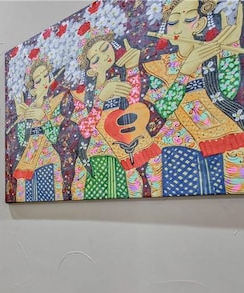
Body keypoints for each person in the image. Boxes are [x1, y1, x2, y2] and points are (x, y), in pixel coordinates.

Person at [142, 0, 244, 196]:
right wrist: (185, 71)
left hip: (218, 134)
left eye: (189, 19)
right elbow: (164, 108)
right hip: (175, 141)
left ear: (201, 24)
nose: (179, 28)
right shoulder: (160, 66)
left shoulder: (211, 54)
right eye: (173, 22)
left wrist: (229, 50)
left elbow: (226, 93)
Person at [70, 28, 163, 199]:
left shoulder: (118, 79)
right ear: (90, 69)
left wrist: (132, 67)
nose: (105, 56)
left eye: (105, 49)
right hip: (102, 141)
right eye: (96, 58)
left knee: (153, 165)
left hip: (128, 127)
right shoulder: (80, 94)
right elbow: (85, 129)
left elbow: (134, 100)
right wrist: (101, 99)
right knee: (126, 174)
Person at [12, 58, 66, 202]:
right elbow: (23, 140)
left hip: (47, 159)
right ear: (32, 87)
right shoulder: (29, 108)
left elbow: (54, 136)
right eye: (38, 80)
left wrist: (43, 118)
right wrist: (20, 117)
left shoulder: (52, 104)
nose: (43, 81)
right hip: (28, 160)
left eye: (45, 76)